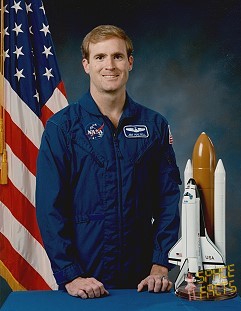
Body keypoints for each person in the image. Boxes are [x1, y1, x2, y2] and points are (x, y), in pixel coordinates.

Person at [36, 24, 182, 299]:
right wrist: (71, 275)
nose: (109, 66)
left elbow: (167, 200)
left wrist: (161, 264)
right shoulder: (63, 129)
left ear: (130, 62)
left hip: (143, 281)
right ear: (86, 65)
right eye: (100, 57)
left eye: (117, 56)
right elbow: (49, 208)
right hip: (85, 281)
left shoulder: (154, 126)